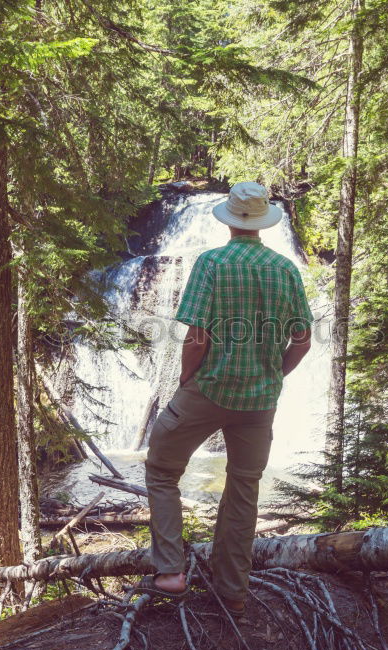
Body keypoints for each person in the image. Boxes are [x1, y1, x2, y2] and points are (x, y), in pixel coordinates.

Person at [137, 181, 314, 618]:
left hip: (209, 389)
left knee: (161, 469)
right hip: (260, 399)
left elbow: (196, 338)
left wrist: (185, 382)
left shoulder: (212, 263)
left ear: (231, 221)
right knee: (243, 489)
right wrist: (275, 373)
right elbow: (303, 340)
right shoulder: (286, 269)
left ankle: (171, 573)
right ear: (263, 224)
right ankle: (232, 592)